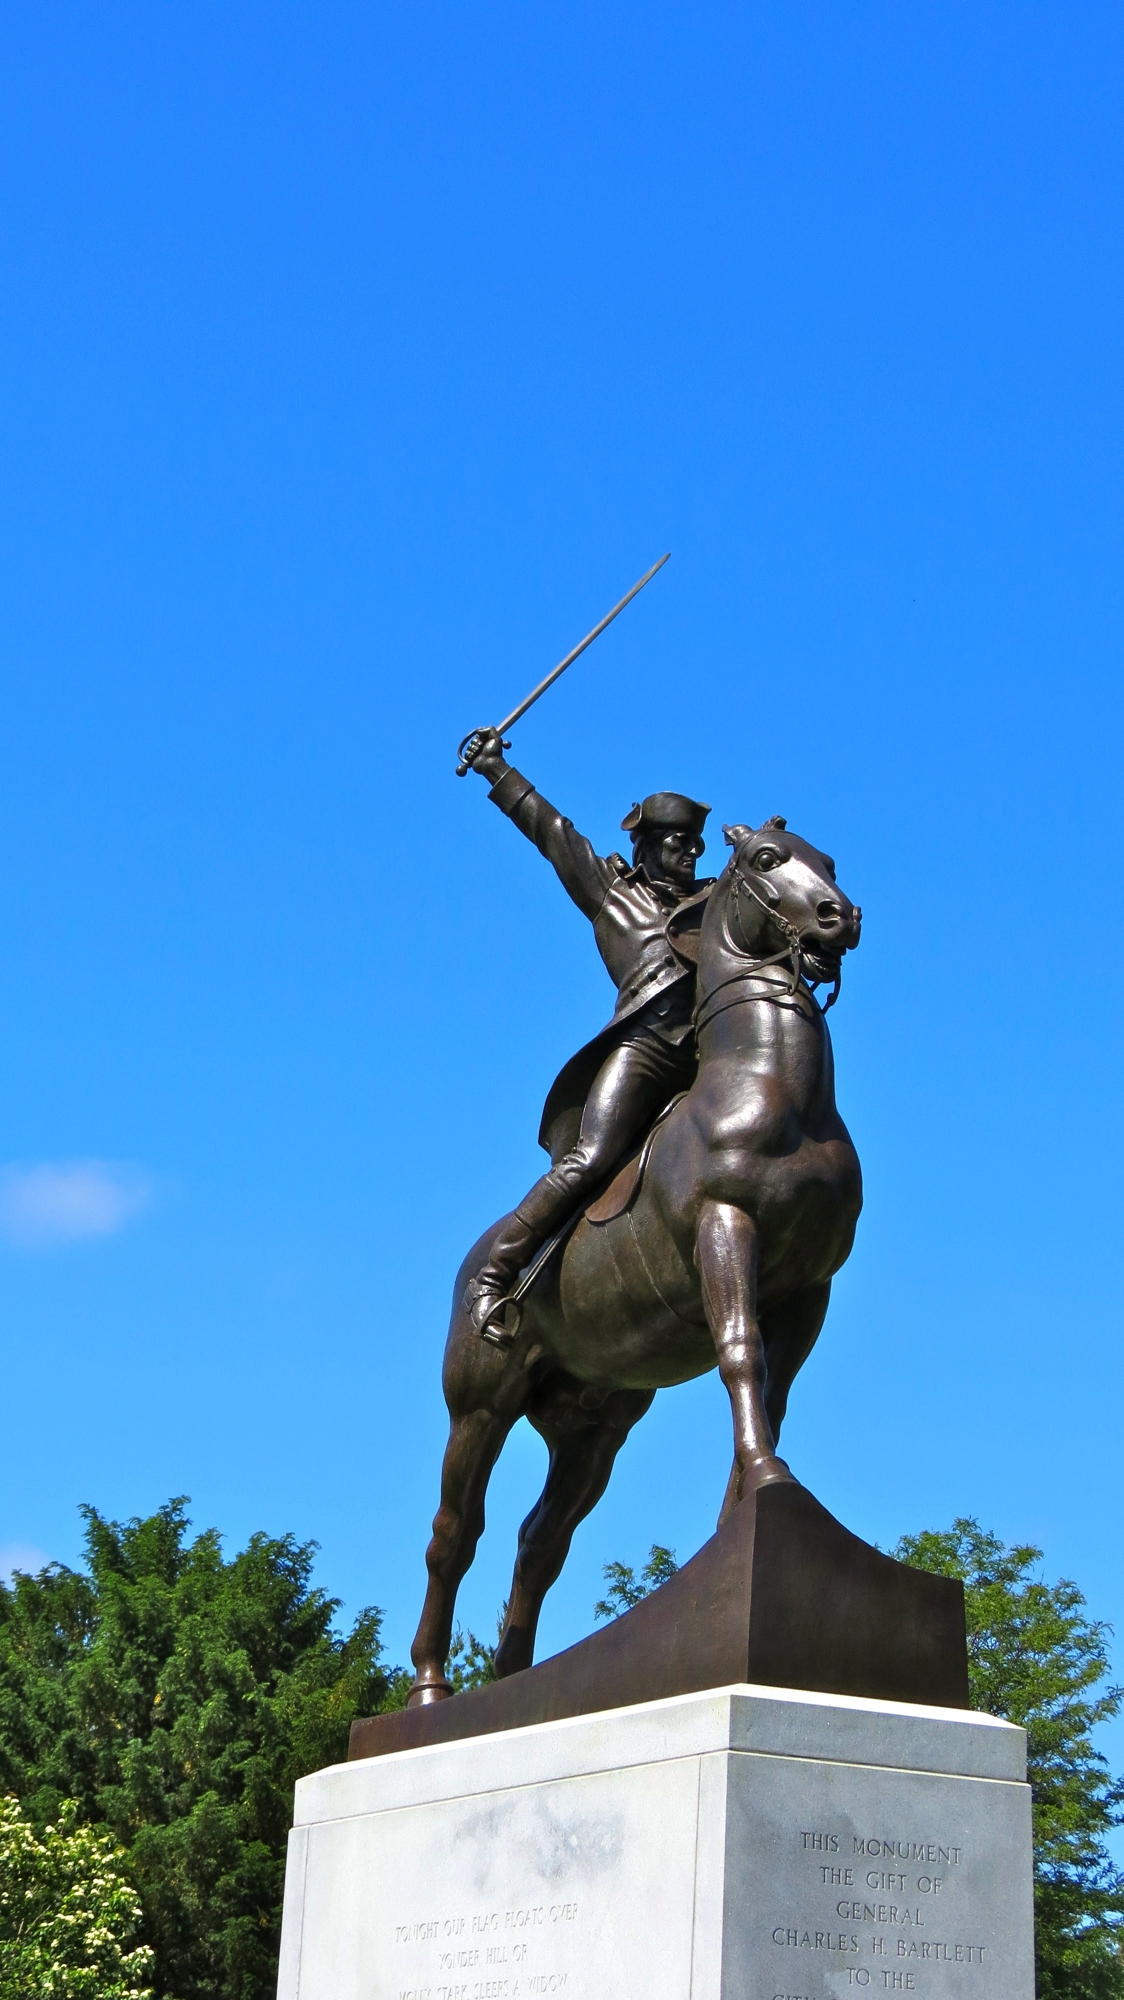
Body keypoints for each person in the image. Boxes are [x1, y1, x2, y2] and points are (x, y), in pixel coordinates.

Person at [463, 727, 713, 1346]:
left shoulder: (717, 903)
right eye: (679, 842)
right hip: (651, 1051)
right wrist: (498, 771)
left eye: (697, 844)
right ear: (649, 846)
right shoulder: (614, 894)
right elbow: (555, 836)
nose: (691, 853)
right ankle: (497, 1273)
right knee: (591, 1158)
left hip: (712, 1055)